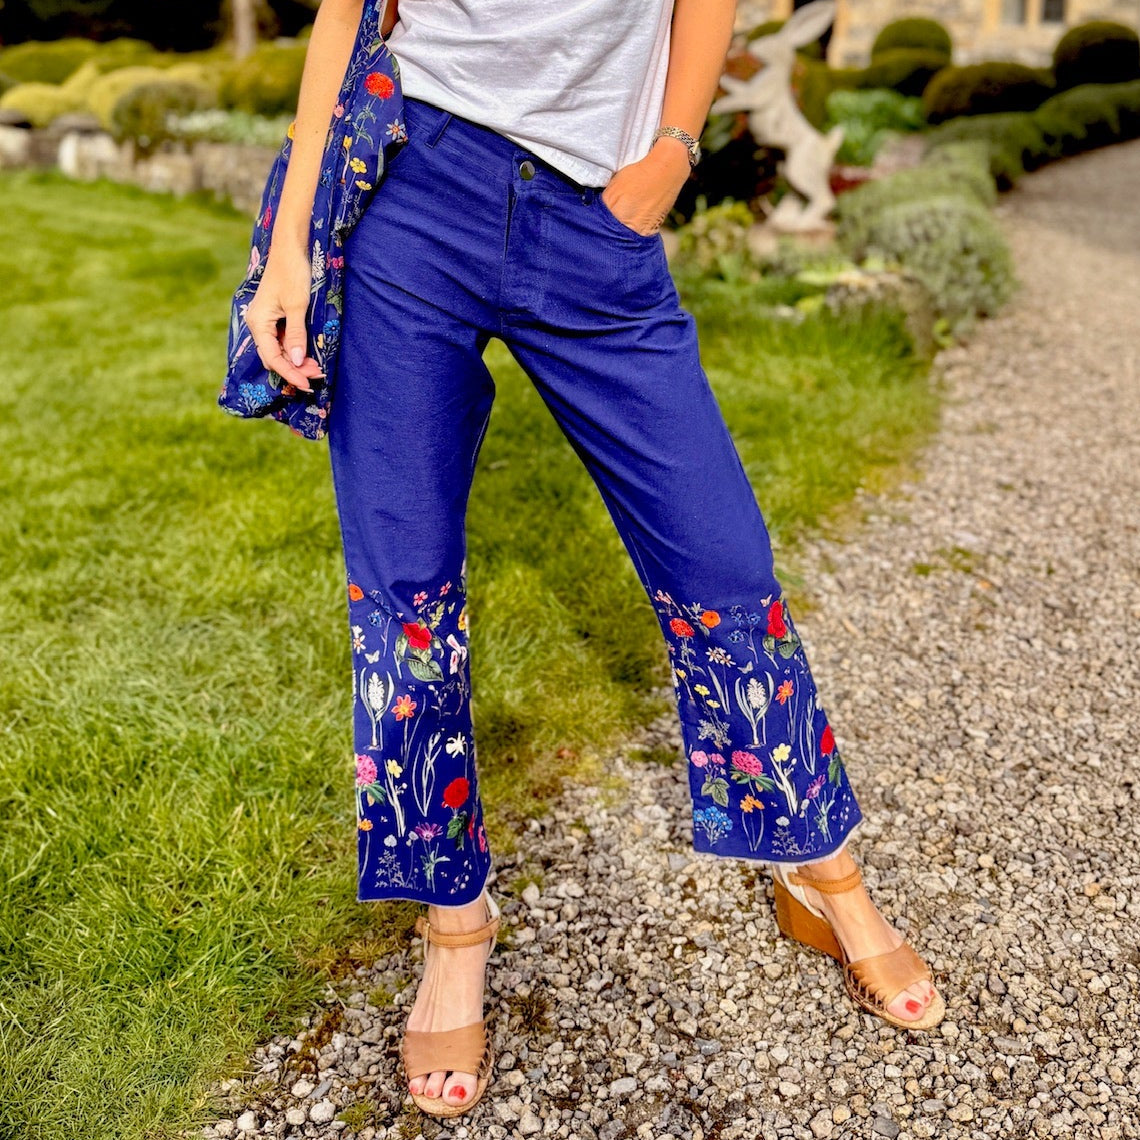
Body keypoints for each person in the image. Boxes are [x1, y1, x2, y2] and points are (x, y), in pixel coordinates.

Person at [243, 0, 945, 1118]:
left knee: (722, 564)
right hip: (412, 195)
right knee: (405, 594)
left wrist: (670, 150)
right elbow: (343, 15)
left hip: (593, 214)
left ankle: (820, 866)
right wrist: (287, 252)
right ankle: (454, 923)